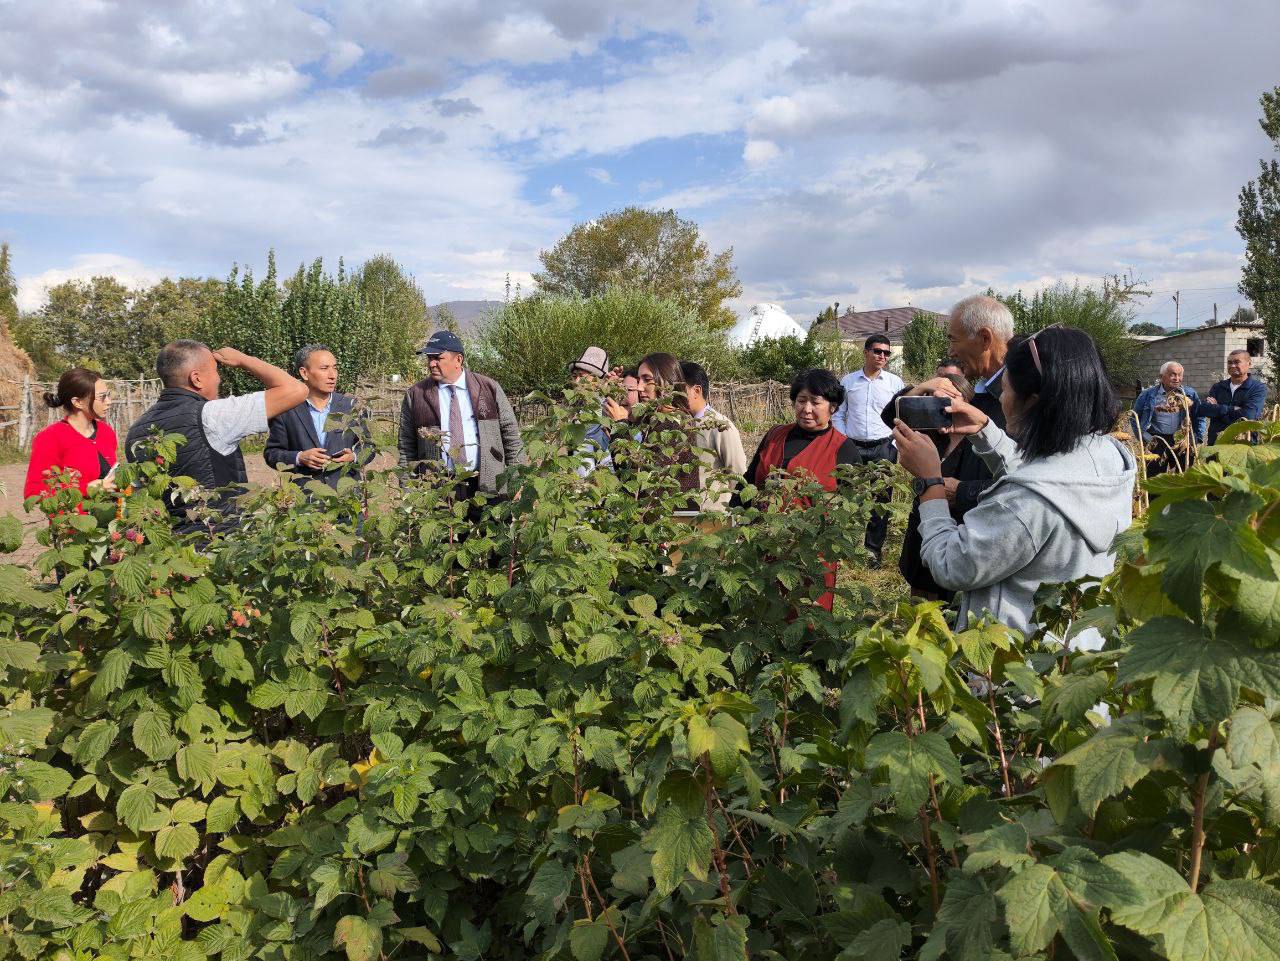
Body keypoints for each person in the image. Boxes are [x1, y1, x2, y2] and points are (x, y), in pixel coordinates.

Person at [893, 327, 1136, 634]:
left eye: (1006, 389)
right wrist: (985, 431)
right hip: (1072, 642)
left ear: (1032, 401)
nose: (1001, 399)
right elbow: (1044, 476)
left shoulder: (1024, 501)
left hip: (1015, 654)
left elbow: (950, 564)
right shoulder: (1109, 457)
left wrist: (930, 482)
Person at [126, 342, 307, 531]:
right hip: (218, 537)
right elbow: (296, 390)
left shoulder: (136, 430)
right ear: (196, 379)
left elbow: (142, 500)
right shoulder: (212, 416)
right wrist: (243, 360)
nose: (219, 379)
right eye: (215, 371)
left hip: (171, 543)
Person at [743, 368, 863, 611]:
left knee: (806, 614)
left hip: (811, 552)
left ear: (833, 407)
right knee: (763, 610)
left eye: (815, 402)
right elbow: (749, 482)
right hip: (765, 543)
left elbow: (852, 507)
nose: (806, 409)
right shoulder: (775, 436)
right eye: (801, 400)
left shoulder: (843, 449)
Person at [878, 368, 974, 600]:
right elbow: (890, 416)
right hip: (923, 529)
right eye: (933, 401)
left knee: (950, 604)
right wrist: (922, 387)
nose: (942, 407)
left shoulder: (980, 441)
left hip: (961, 535)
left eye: (950, 400)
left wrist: (960, 491)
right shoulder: (929, 434)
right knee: (920, 600)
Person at [397, 330, 525, 495]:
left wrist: (517, 480)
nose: (431, 364)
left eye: (438, 358)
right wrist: (408, 490)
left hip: (489, 485)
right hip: (438, 489)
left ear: (458, 360)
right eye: (429, 358)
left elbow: (511, 436)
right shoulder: (416, 395)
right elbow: (406, 446)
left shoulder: (488, 388)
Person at [832, 334, 905, 566]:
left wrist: (894, 444)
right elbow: (839, 414)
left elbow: (902, 416)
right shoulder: (848, 382)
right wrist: (844, 441)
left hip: (883, 447)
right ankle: (842, 547)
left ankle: (872, 552)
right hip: (852, 447)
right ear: (866, 352)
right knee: (845, 497)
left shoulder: (895, 383)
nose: (882, 356)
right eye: (877, 351)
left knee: (881, 501)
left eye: (886, 353)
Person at [942, 295, 1015, 513]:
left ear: (984, 338)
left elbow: (1033, 481)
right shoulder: (981, 392)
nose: (950, 351)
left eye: (953, 340)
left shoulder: (1024, 400)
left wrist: (964, 492)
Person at [264, 345, 367, 487]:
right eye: (324, 368)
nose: (332, 375)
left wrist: (354, 456)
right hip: (305, 495)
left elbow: (369, 445)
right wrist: (299, 457)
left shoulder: (351, 406)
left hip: (347, 493)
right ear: (304, 373)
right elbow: (272, 453)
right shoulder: (286, 410)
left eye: (335, 368)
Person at [24, 368, 118, 504]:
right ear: (77, 402)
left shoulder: (106, 432)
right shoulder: (51, 437)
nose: (108, 401)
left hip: (112, 514)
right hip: (74, 517)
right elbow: (34, 493)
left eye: (107, 395)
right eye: (102, 397)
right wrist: (87, 489)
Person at [680, 360, 747, 509]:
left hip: (712, 517)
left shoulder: (720, 427)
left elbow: (737, 475)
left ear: (696, 391)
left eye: (678, 390)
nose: (673, 396)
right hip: (680, 515)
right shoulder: (676, 426)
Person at [1131, 361, 1203, 474]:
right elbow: (1134, 418)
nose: (1177, 378)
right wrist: (1147, 438)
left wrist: (1197, 437)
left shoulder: (1189, 394)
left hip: (1182, 439)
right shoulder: (1148, 395)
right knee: (1154, 475)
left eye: (1180, 375)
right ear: (1161, 377)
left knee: (1183, 475)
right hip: (1157, 440)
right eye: (1172, 374)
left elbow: (1200, 416)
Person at [1198, 349, 1268, 444]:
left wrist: (1217, 409)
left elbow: (1248, 416)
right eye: (1230, 363)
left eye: (1237, 362)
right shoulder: (1218, 387)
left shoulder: (1257, 388)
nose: (1232, 365)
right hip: (1216, 443)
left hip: (1243, 444)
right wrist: (1231, 409)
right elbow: (1203, 409)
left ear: (1249, 364)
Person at [568, 346, 613, 477]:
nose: (577, 381)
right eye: (574, 376)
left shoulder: (606, 406)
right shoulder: (577, 406)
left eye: (582, 376)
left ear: (597, 379)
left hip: (599, 476)